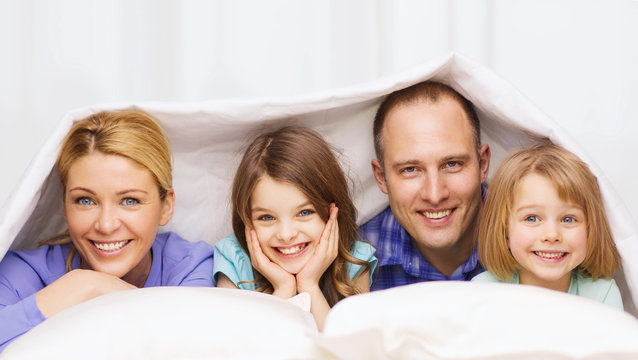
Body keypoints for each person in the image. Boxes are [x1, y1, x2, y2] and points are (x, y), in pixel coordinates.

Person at [0, 110, 214, 351]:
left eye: (130, 201)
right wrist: (81, 285)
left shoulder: (192, 267)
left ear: (167, 206)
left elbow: (191, 348)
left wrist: (111, 293)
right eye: (85, 200)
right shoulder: (22, 272)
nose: (106, 225)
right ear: (64, 206)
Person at [214, 126, 377, 330]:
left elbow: (346, 351)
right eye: (266, 217)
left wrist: (309, 285)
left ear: (332, 212)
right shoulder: (234, 261)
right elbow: (244, 348)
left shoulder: (354, 261)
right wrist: (284, 288)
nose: (286, 234)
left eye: (304, 212)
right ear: (247, 220)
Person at [361, 80, 490, 290]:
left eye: (452, 164)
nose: (435, 194)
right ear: (381, 177)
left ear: (483, 165)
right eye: (410, 169)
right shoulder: (349, 261)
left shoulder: (540, 239)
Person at [472, 143, 622, 309]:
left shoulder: (602, 295)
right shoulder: (483, 291)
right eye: (532, 218)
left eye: (568, 219)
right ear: (505, 232)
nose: (551, 235)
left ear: (590, 229)